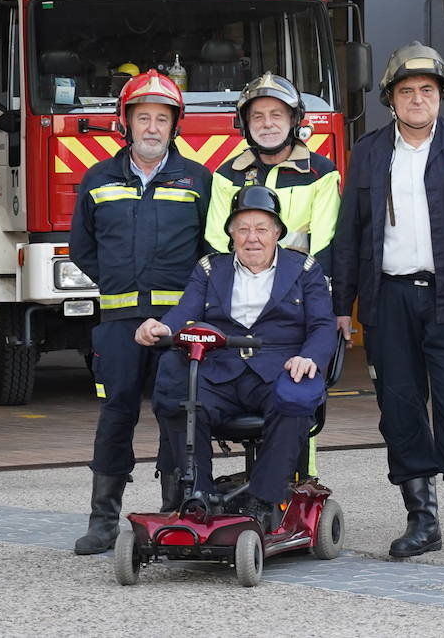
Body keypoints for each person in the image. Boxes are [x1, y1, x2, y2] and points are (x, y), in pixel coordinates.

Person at [331, 41, 444, 559]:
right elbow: (350, 232)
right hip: (388, 299)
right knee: (400, 407)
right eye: (406, 91)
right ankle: (421, 521)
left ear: (441, 96)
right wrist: (344, 304)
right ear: (390, 99)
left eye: (426, 90)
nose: (416, 99)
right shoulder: (368, 150)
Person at [69, 70, 212, 555]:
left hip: (177, 327)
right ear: (125, 123)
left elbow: (209, 250)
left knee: (178, 415)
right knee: (116, 415)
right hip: (118, 327)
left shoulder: (198, 179)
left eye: (162, 119)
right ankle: (103, 521)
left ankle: (176, 514)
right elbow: (82, 248)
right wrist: (119, 285)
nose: (152, 127)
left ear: (176, 127)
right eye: (143, 117)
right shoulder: (98, 178)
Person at [139, 185, 336, 525]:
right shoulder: (211, 269)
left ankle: (263, 499)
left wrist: (310, 357)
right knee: (176, 387)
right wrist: (161, 327)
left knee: (297, 393)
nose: (252, 238)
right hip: (221, 369)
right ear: (231, 234)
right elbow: (184, 312)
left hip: (278, 369)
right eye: (243, 229)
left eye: (261, 229)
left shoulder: (304, 269)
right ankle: (196, 498)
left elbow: (322, 325)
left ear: (277, 232)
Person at [204, 72, 341, 274]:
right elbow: (216, 245)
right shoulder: (227, 175)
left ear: (293, 119)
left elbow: (324, 246)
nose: (267, 124)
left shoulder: (321, 174)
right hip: (241, 290)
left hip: (297, 291)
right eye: (257, 116)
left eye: (276, 115)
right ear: (246, 125)